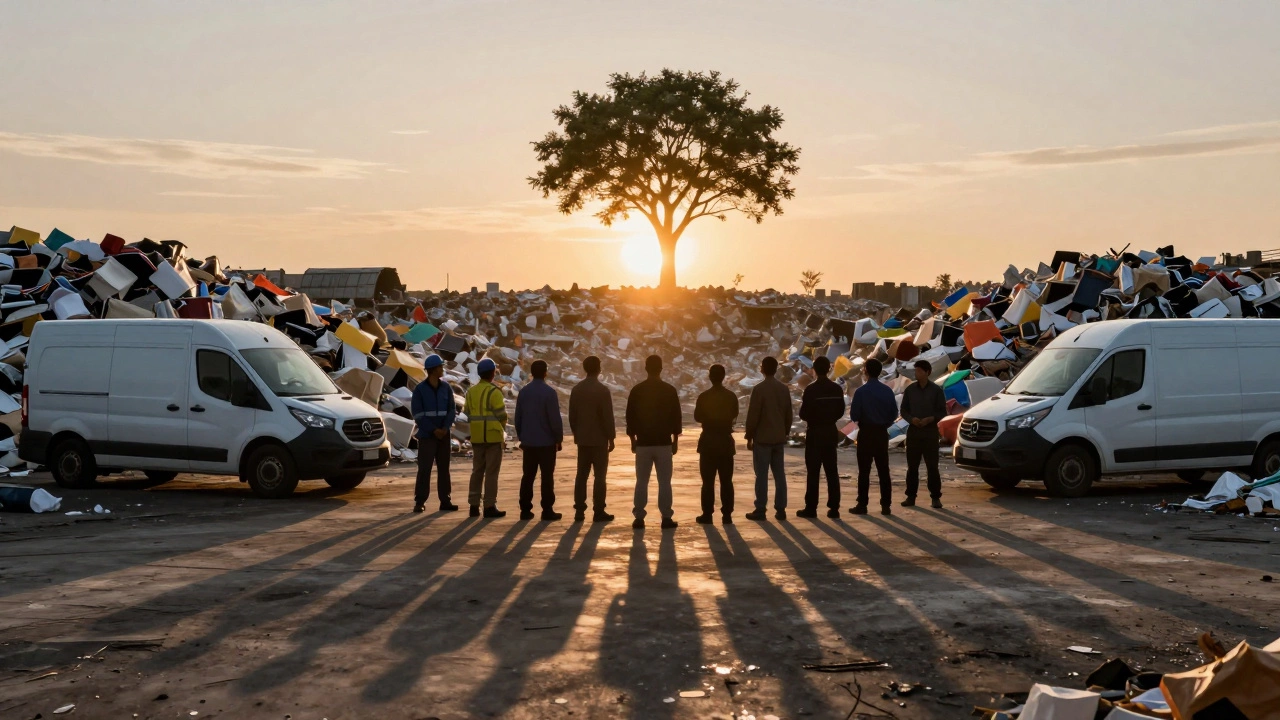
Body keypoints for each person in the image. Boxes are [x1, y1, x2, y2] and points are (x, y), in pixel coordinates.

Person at [625, 354, 682, 530]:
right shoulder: (669, 390)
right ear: (661, 369)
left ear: (645, 368)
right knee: (664, 481)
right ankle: (666, 517)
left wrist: (633, 439)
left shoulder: (637, 390)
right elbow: (676, 418)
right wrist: (675, 440)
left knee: (641, 481)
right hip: (663, 442)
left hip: (643, 443)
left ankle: (639, 517)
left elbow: (630, 417)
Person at [744, 356, 793, 521]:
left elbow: (753, 416)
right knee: (780, 474)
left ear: (762, 369)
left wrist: (749, 436)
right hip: (779, 438)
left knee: (762, 475)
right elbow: (789, 415)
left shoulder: (759, 389)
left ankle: (760, 508)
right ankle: (781, 509)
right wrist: (785, 432)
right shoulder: (783, 389)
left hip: (763, 438)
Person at [514, 359, 564, 521]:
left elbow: (518, 418)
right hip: (546, 443)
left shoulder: (524, 392)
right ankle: (547, 509)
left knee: (528, 476)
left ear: (531, 373)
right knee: (547, 477)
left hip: (529, 442)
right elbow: (555, 419)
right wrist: (558, 439)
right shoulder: (549, 393)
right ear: (545, 373)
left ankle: (525, 509)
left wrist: (522, 436)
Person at [568, 355, 616, 522]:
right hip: (599, 440)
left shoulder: (577, 389)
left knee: (581, 475)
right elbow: (607, 417)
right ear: (599, 369)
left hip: (583, 440)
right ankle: (599, 510)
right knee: (600, 477)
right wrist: (611, 437)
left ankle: (579, 511)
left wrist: (577, 433)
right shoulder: (603, 390)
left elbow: (572, 416)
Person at [797, 356, 846, 518]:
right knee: (832, 471)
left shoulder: (811, 390)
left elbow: (803, 413)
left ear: (814, 370)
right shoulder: (837, 389)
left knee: (813, 472)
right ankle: (834, 508)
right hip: (830, 432)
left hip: (815, 433)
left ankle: (811, 508)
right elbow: (840, 411)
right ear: (829, 369)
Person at [410, 354, 459, 514]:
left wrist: (445, 428)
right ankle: (420, 501)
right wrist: (433, 430)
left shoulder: (446, 388)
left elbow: (452, 410)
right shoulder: (420, 390)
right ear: (434, 370)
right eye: (440, 367)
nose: (442, 369)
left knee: (444, 469)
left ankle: (445, 500)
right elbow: (417, 414)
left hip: (443, 435)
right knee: (424, 469)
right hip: (427, 436)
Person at [848, 357, 898, 515]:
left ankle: (862, 504)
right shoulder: (887, 391)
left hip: (866, 433)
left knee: (864, 471)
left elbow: (854, 414)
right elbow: (893, 414)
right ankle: (886, 505)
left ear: (866, 371)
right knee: (883, 470)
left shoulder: (861, 392)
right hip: (882, 433)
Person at [899, 359, 947, 509]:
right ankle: (910, 496)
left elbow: (942, 412)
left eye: (919, 371)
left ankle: (935, 498)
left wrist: (930, 419)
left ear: (927, 372)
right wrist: (911, 419)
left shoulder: (936, 391)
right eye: (916, 370)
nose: (916, 373)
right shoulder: (910, 390)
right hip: (914, 432)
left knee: (932, 467)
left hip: (930, 432)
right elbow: (903, 410)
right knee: (912, 467)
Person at [693, 364, 738, 524]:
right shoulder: (731, 396)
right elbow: (734, 414)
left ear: (710, 377)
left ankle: (707, 514)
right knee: (726, 481)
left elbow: (697, 417)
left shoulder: (704, 396)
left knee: (708, 481)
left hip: (708, 441)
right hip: (725, 441)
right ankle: (727, 514)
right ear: (724, 376)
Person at [464, 357, 508, 518]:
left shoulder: (470, 392)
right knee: (491, 473)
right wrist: (502, 431)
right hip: (493, 437)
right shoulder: (494, 392)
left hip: (476, 438)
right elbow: (502, 416)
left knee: (477, 471)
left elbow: (467, 413)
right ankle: (489, 505)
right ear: (492, 373)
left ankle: (473, 505)